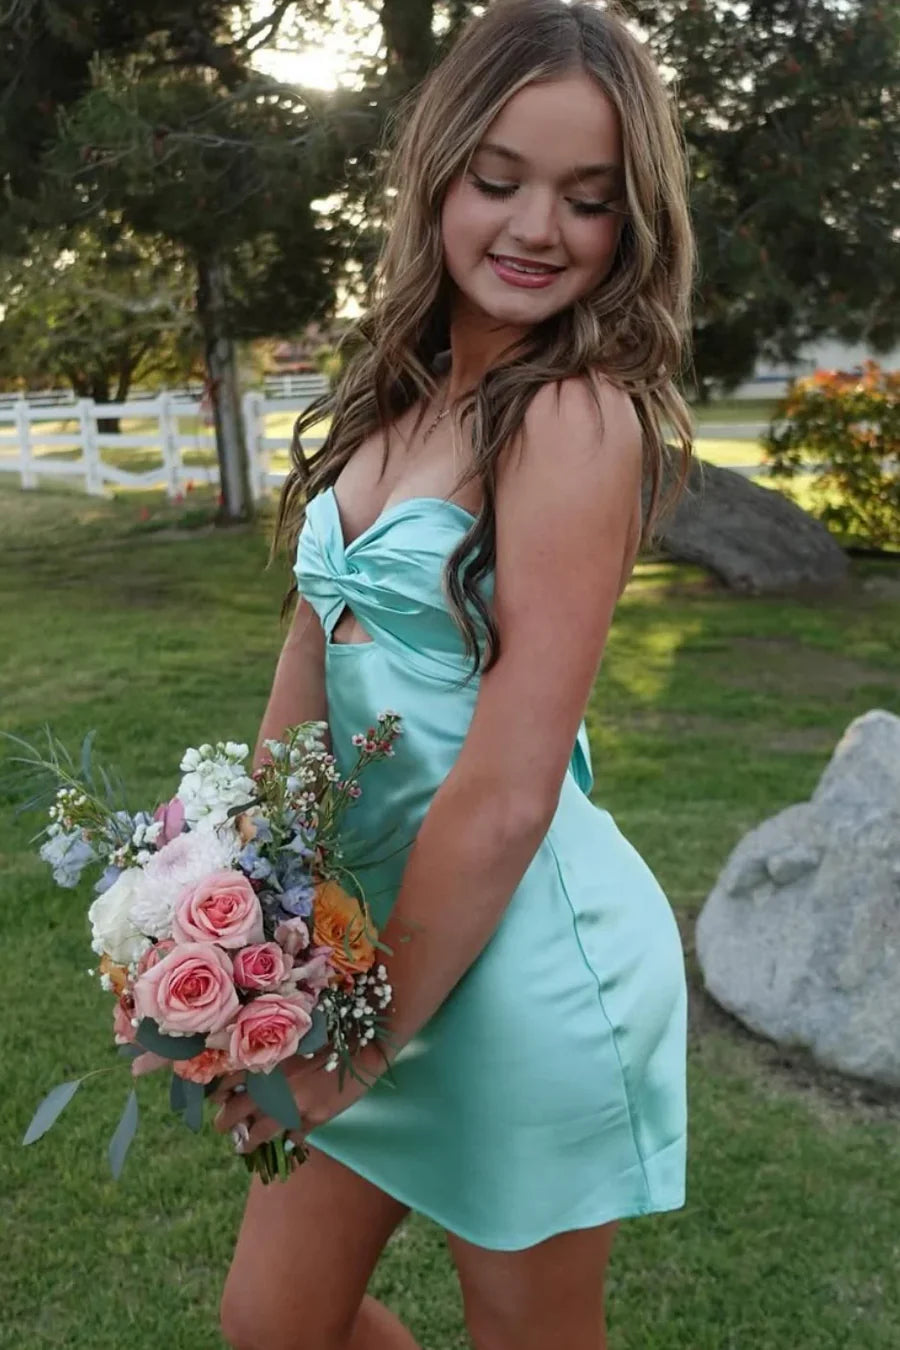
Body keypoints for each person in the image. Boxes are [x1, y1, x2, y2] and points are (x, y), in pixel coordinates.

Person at [214, 1, 695, 1345]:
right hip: (363, 945)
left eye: (587, 199)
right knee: (270, 1325)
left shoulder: (577, 417)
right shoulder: (397, 391)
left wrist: (357, 1045)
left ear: (630, 222)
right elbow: (308, 660)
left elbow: (505, 795)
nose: (538, 227)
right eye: (499, 179)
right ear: (438, 173)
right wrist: (243, 912)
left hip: (525, 968)